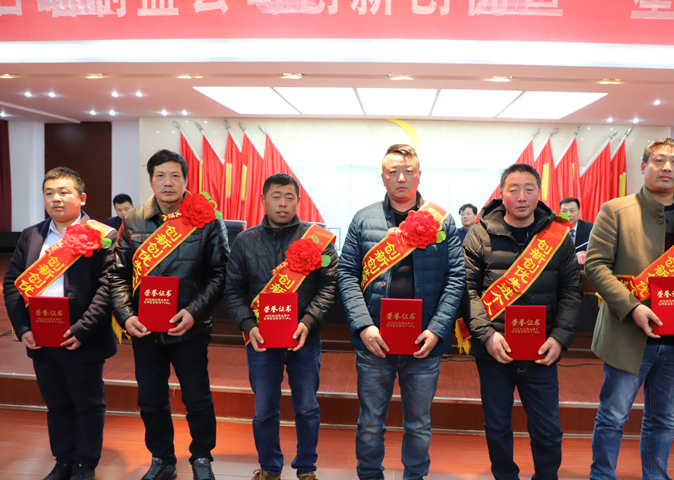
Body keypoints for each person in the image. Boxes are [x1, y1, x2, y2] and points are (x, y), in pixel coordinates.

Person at [586, 138, 674, 480]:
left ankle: (656, 476)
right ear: (643, 166)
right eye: (659, 160)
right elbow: (595, 266)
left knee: (665, 418)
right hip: (627, 334)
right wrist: (632, 307)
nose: (667, 167)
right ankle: (602, 476)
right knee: (613, 416)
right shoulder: (616, 210)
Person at [337, 143, 465, 480]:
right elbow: (346, 274)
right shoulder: (363, 219)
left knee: (419, 424)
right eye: (393, 171)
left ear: (420, 175)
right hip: (375, 342)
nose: (402, 178)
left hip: (423, 342)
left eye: (409, 171)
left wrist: (437, 328)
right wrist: (364, 325)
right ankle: (369, 475)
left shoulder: (442, 220)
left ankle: (415, 476)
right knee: (370, 422)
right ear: (382, 177)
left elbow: (456, 277)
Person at [108, 150, 229, 480]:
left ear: (186, 180)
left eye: (175, 175)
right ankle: (162, 459)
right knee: (150, 400)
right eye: (160, 175)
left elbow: (220, 273)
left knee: (197, 398)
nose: (168, 182)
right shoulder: (133, 220)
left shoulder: (207, 218)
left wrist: (193, 312)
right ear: (150, 181)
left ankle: (201, 457)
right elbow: (118, 274)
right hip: (145, 330)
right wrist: (126, 316)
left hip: (189, 328)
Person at [463, 163, 582, 480]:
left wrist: (559, 338)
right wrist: (486, 335)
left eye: (529, 189)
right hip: (494, 349)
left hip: (541, 350)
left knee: (548, 428)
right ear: (501, 194)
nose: (521, 197)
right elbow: (467, 290)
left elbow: (571, 291)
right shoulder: (480, 234)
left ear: (539, 193)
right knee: (497, 424)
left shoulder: (557, 236)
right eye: (513, 189)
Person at [3, 167, 118, 480]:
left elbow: (108, 288)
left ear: (82, 198)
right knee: (56, 404)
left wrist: (83, 329)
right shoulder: (31, 235)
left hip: (82, 338)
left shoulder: (103, 235)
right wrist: (22, 328)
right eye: (49, 193)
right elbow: (12, 283)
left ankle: (84, 463)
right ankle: (63, 459)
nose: (56, 198)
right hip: (41, 337)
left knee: (87, 403)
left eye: (64, 192)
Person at [223, 173, 338, 480]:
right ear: (263, 200)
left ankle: (306, 468)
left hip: (304, 340)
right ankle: (270, 467)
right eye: (276, 196)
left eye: (289, 197)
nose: (283, 203)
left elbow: (329, 287)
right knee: (264, 410)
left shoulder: (316, 239)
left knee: (307, 407)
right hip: (261, 340)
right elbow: (233, 291)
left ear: (298, 201)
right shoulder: (245, 241)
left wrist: (308, 322)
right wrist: (248, 325)